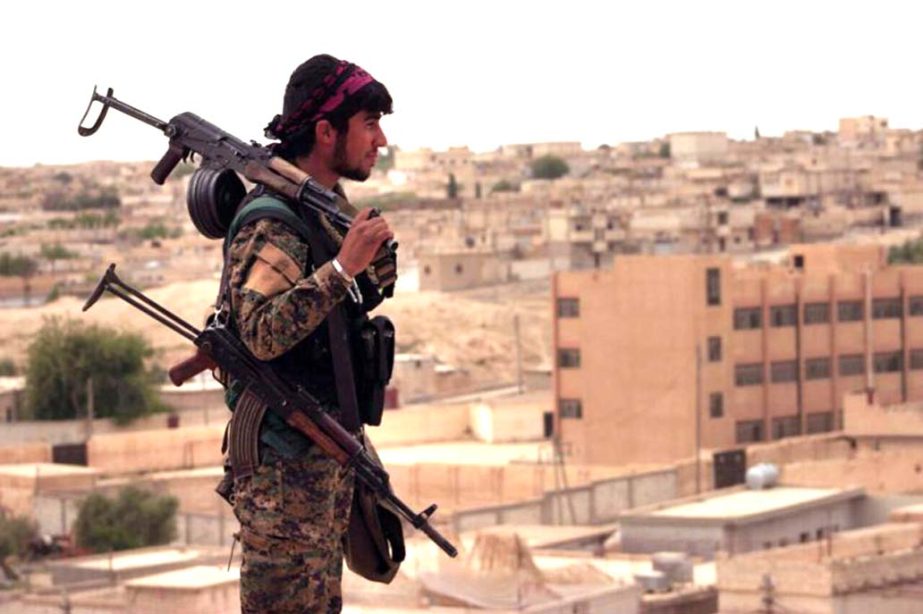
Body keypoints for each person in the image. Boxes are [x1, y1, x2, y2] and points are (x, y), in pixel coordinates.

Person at [224, 54, 395, 613]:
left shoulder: (324, 212)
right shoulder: (273, 222)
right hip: (281, 475)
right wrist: (341, 268)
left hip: (320, 463)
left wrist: (365, 269)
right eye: (368, 123)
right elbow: (259, 335)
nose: (381, 139)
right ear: (326, 132)